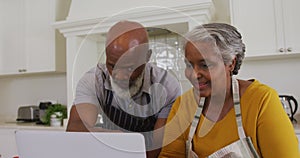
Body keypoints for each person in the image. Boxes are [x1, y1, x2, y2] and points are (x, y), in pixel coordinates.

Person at [158, 23, 300, 158]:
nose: (194, 74)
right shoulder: (183, 105)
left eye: (205, 65)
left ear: (230, 63)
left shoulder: (261, 100)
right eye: (189, 65)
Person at [66, 20, 181, 158]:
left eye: (129, 68)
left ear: (147, 57)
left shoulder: (166, 86)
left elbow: (159, 144)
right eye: (112, 66)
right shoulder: (94, 80)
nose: (119, 77)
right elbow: (75, 129)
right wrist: (119, 139)